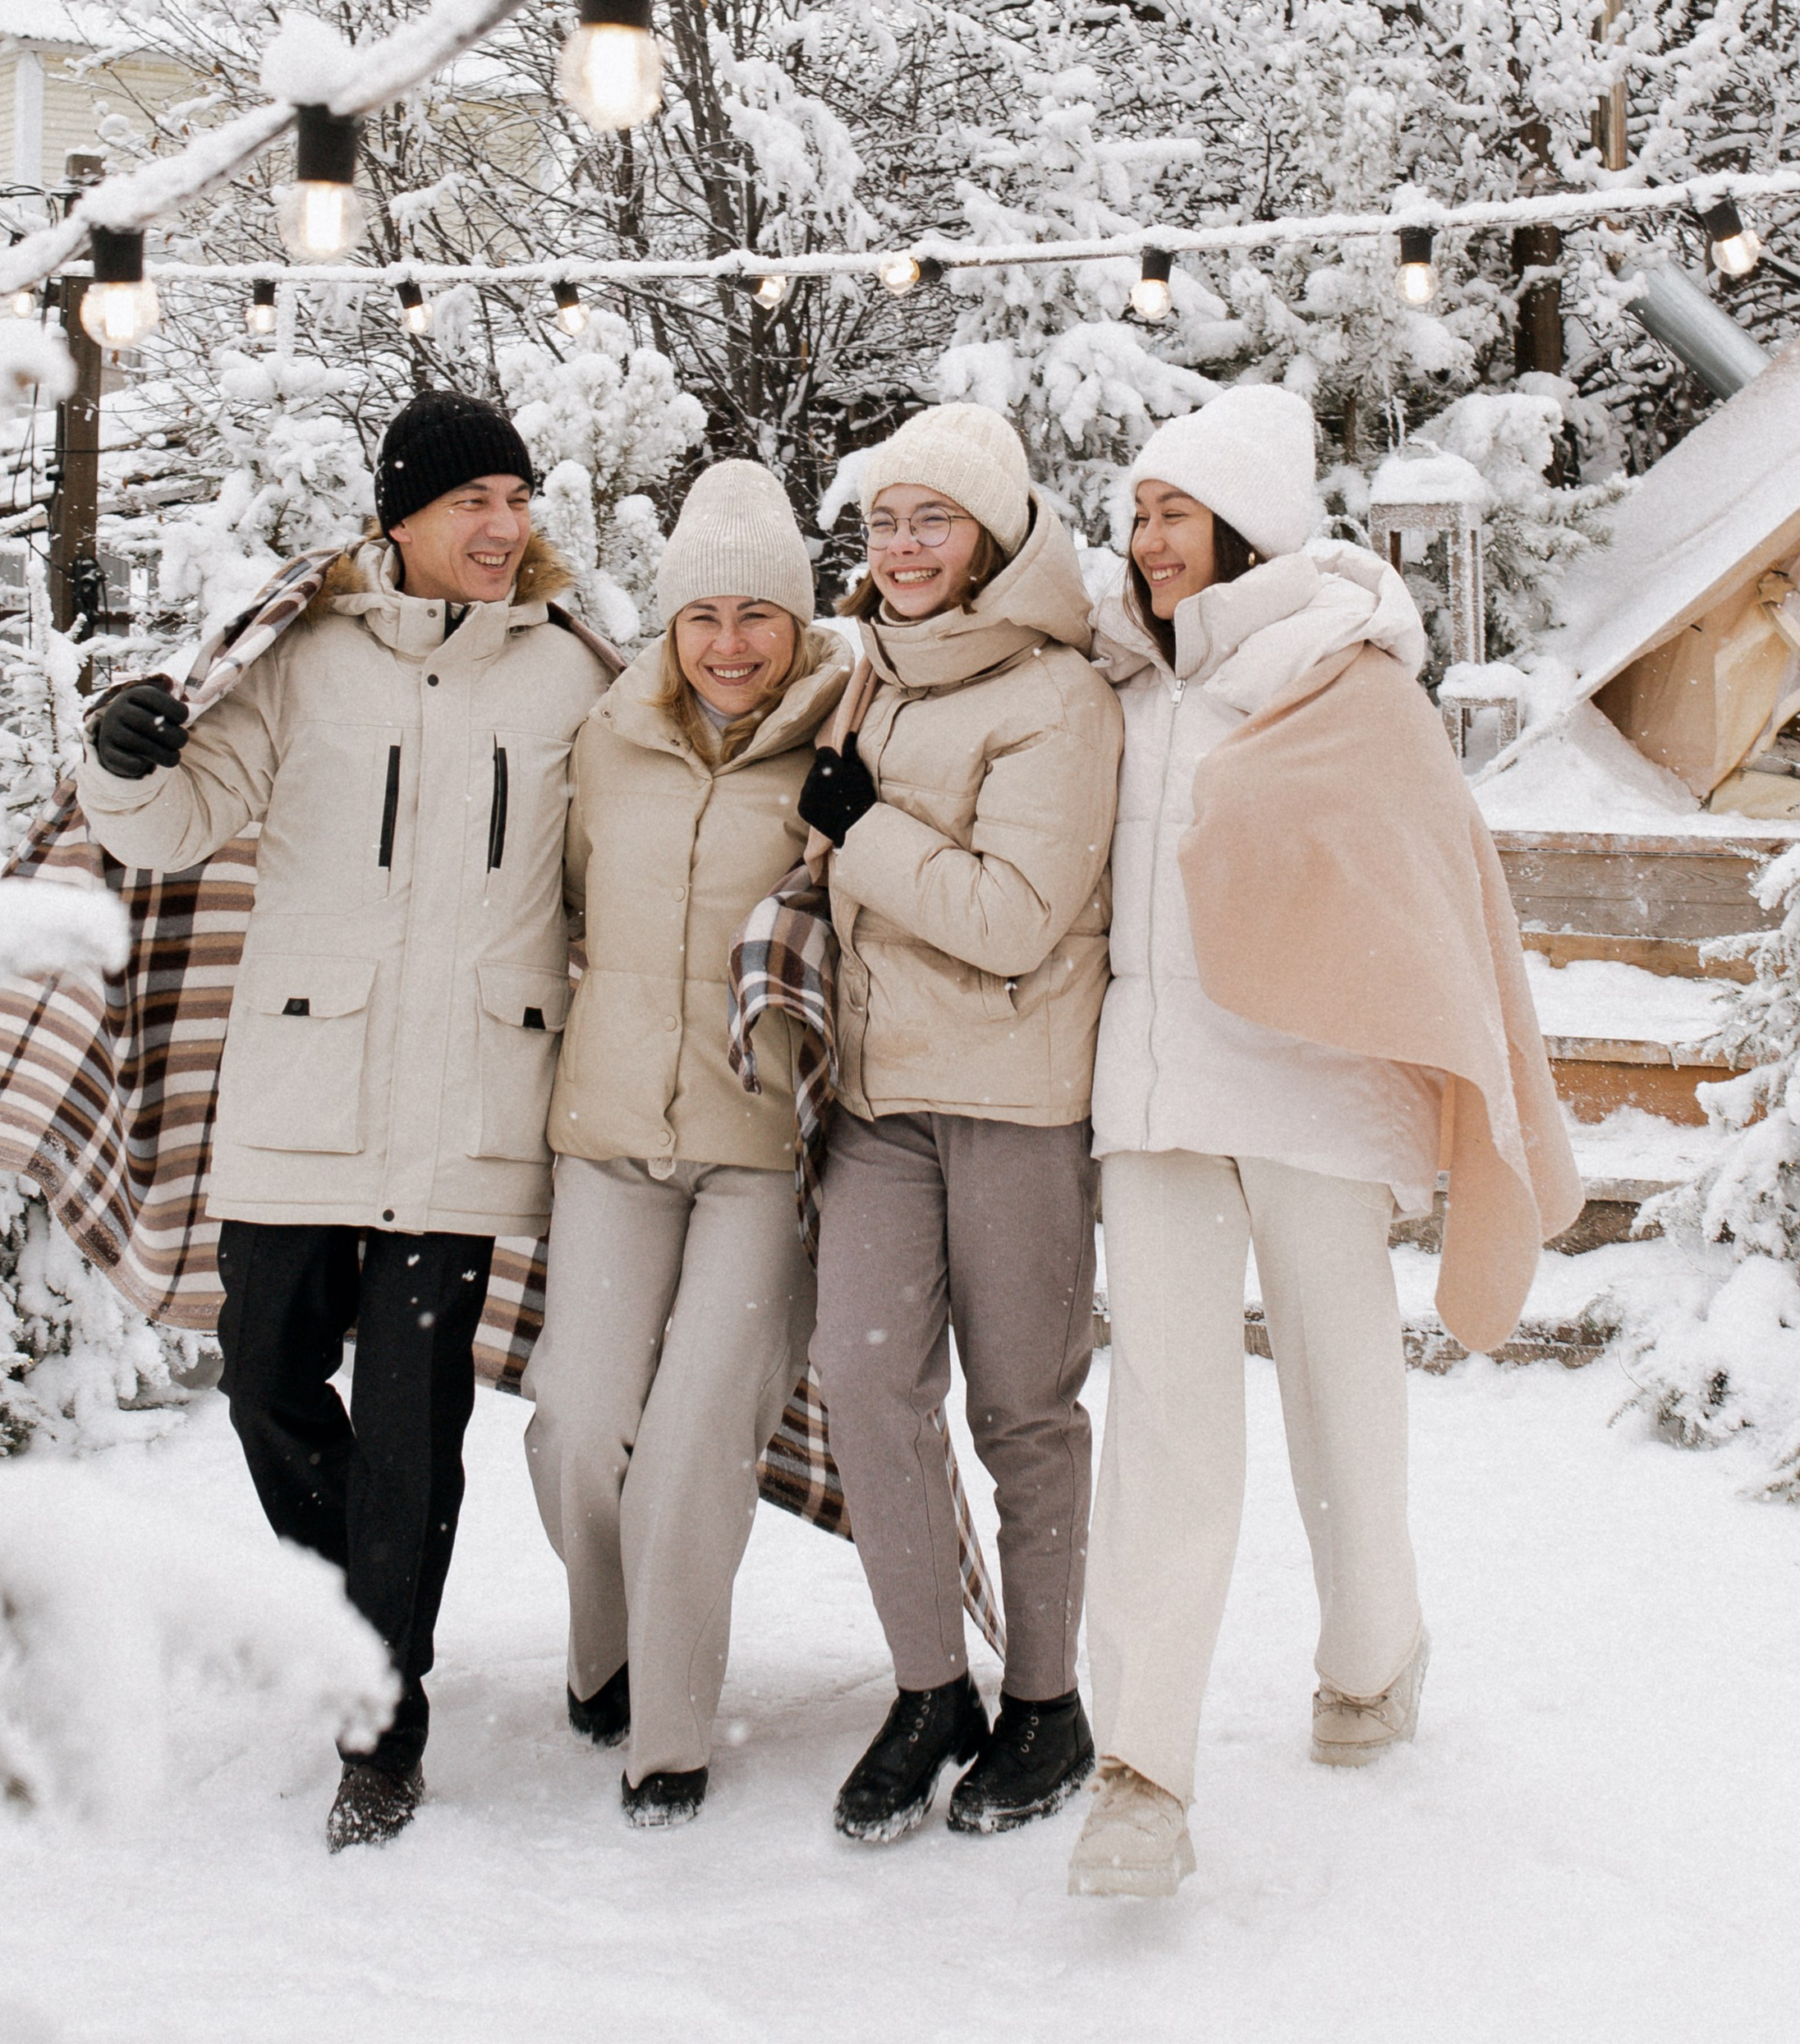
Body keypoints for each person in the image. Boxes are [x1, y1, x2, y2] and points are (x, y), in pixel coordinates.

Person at [77, 390, 613, 1850]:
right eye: (470, 504)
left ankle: (384, 1715)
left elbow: (619, 862)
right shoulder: (307, 665)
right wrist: (121, 759)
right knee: (262, 1386)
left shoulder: (570, 681)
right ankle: (353, 1614)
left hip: (469, 1102)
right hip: (304, 1090)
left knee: (408, 1433)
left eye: (516, 498)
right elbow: (174, 825)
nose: (503, 529)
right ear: (401, 523)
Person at [1066, 385, 1580, 1900]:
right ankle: (1140, 1768)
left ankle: (1373, 1654)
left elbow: (1432, 886)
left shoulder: (1347, 682)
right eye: (1139, 514)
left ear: (1250, 525)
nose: (1150, 543)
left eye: (1178, 512)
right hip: (1153, 1094)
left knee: (1341, 1398)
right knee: (1166, 1418)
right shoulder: (1122, 683)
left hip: (1309, 1087)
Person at [800, 403, 1123, 1844]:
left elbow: (1012, 921)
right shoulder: (863, 670)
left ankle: (1046, 1704)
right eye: (884, 521)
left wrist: (859, 831)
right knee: (863, 1384)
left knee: (1023, 1408)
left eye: (935, 519)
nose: (906, 547)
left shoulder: (1059, 696)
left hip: (1011, 1100)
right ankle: (931, 1686)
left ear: (993, 534)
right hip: (876, 1101)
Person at [523, 460, 848, 1827]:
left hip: (763, 1153)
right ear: (667, 625)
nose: (728, 643)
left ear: (799, 622)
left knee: (696, 1441)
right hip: (608, 1138)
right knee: (577, 1427)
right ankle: (605, 1656)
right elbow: (567, 901)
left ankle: (668, 1729)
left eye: (757, 615)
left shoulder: (852, 735)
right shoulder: (605, 737)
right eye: (701, 614)